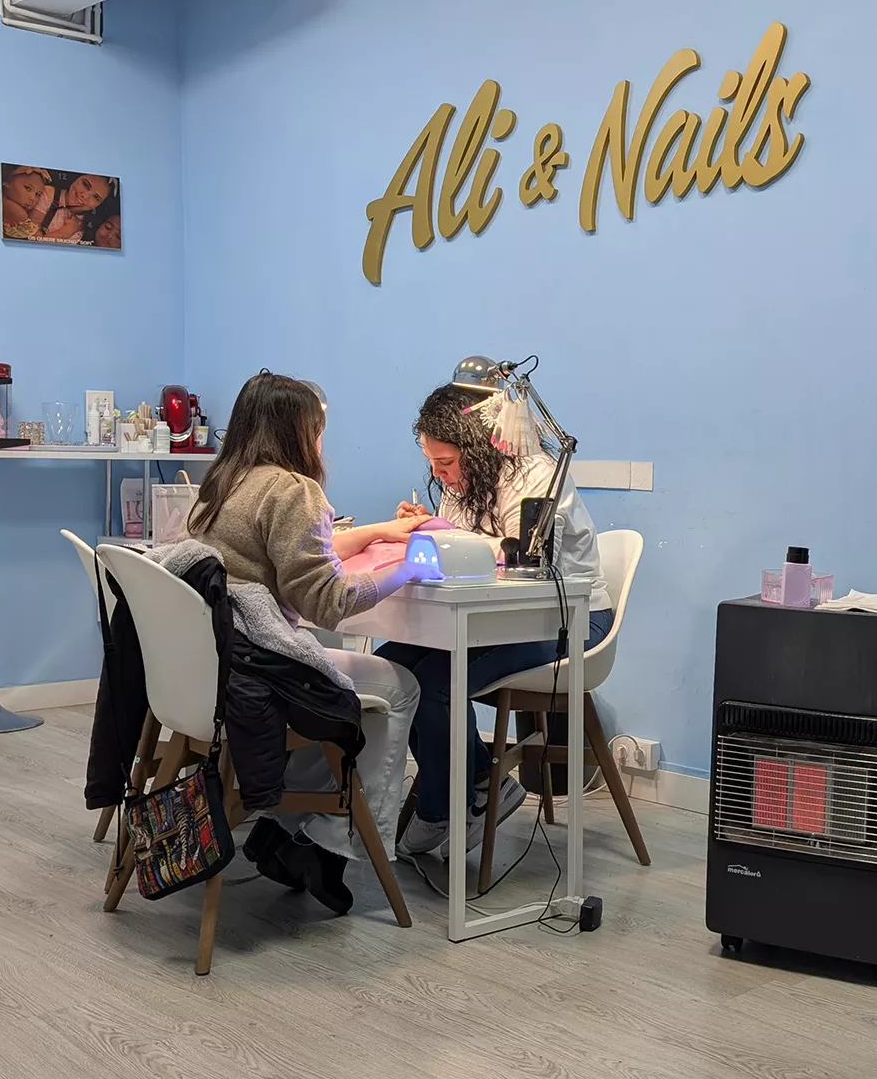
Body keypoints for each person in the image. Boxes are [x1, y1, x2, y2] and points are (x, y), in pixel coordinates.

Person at [185, 371, 434, 910]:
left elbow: (289, 553)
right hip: (262, 666)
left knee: (350, 691)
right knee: (399, 688)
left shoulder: (224, 482)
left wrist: (373, 534)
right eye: (318, 429)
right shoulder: (294, 490)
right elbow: (329, 603)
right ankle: (328, 844)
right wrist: (405, 572)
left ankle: (284, 827)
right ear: (300, 431)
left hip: (211, 671)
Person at [380, 383, 615, 857]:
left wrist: (442, 535)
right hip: (491, 616)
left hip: (567, 618)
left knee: (439, 682)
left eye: (445, 463)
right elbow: (462, 555)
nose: (438, 474)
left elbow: (517, 561)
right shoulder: (461, 488)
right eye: (431, 463)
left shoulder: (537, 477)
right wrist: (430, 529)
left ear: (477, 448)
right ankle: (484, 781)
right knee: (389, 671)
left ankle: (444, 810)